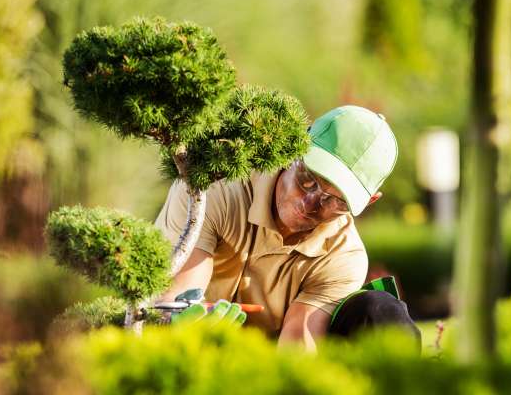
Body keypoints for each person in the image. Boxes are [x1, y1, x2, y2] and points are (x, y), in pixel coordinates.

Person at [154, 105, 420, 351]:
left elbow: (297, 345)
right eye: (308, 180)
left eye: (335, 200)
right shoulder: (216, 190)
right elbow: (174, 301)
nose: (309, 203)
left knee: (382, 312)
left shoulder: (344, 255)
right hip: (192, 350)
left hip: (265, 364)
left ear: (369, 202)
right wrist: (186, 327)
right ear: (293, 151)